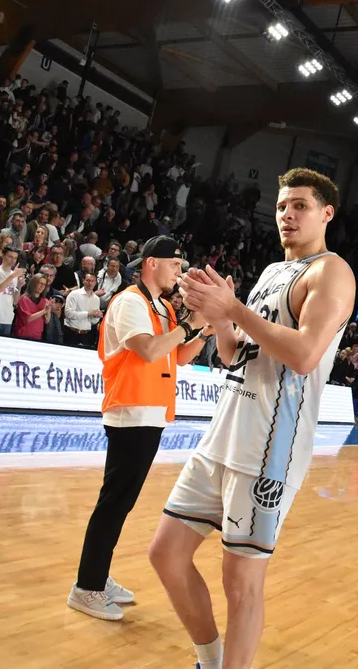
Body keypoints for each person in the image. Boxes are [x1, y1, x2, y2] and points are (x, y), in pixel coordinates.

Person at [149, 168, 355, 669]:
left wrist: (235, 309)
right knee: (165, 555)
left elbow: (304, 355)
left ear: (326, 213)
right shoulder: (270, 273)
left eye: (300, 205)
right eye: (282, 206)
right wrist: (220, 319)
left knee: (240, 582)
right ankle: (210, 658)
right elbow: (232, 355)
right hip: (222, 436)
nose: (288, 214)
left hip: (269, 449)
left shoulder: (331, 272)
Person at [68, 235, 213, 621]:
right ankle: (86, 586)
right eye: (175, 265)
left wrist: (203, 332)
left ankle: (97, 577)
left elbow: (178, 357)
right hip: (130, 411)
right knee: (114, 502)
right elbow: (148, 350)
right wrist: (188, 324)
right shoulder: (130, 301)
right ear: (152, 263)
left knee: (121, 502)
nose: (179, 273)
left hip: (150, 413)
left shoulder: (162, 306)